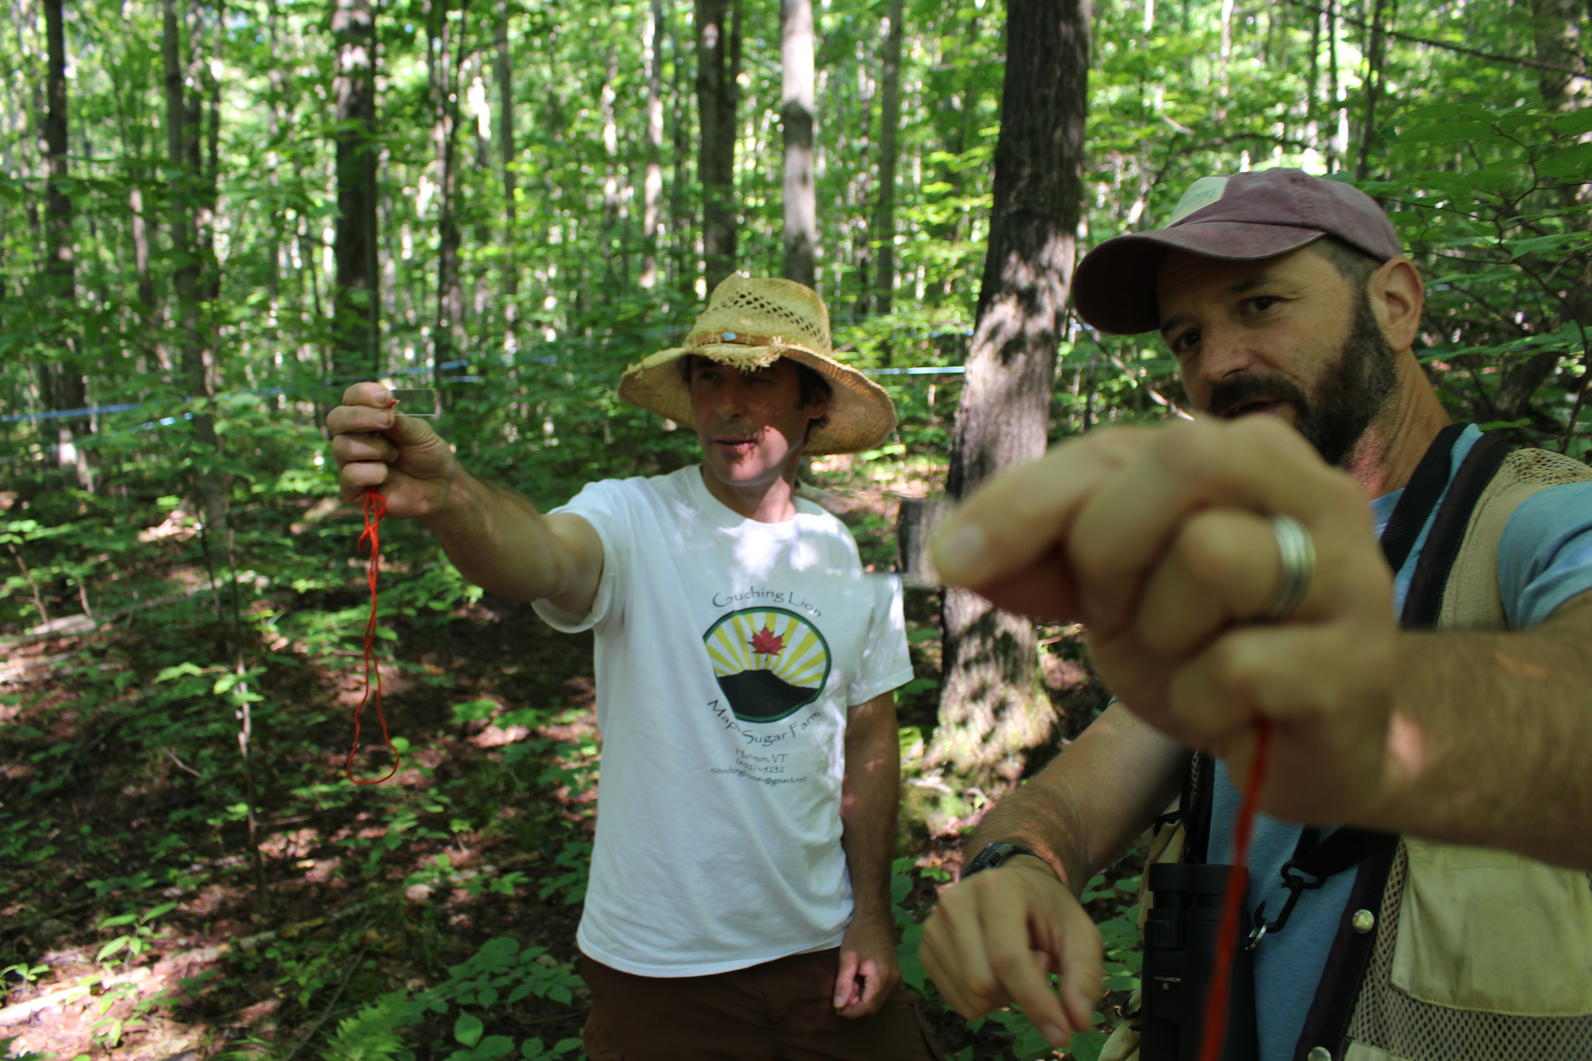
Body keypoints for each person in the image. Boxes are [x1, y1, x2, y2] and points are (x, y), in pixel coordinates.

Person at [917, 169, 1592, 1060]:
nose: (1218, 363)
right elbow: (1071, 803)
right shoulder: (1243, 571)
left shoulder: (1538, 517)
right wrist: (1018, 871)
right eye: (1187, 336)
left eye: (1261, 304)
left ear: (1394, 302)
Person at [327, 276, 943, 1060]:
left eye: (758, 377)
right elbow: (540, 556)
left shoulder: (839, 550)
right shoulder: (630, 518)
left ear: (812, 400)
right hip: (664, 971)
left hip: (822, 952)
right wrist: (453, 496)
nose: (727, 403)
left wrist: (871, 919)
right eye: (709, 376)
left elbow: (869, 736)